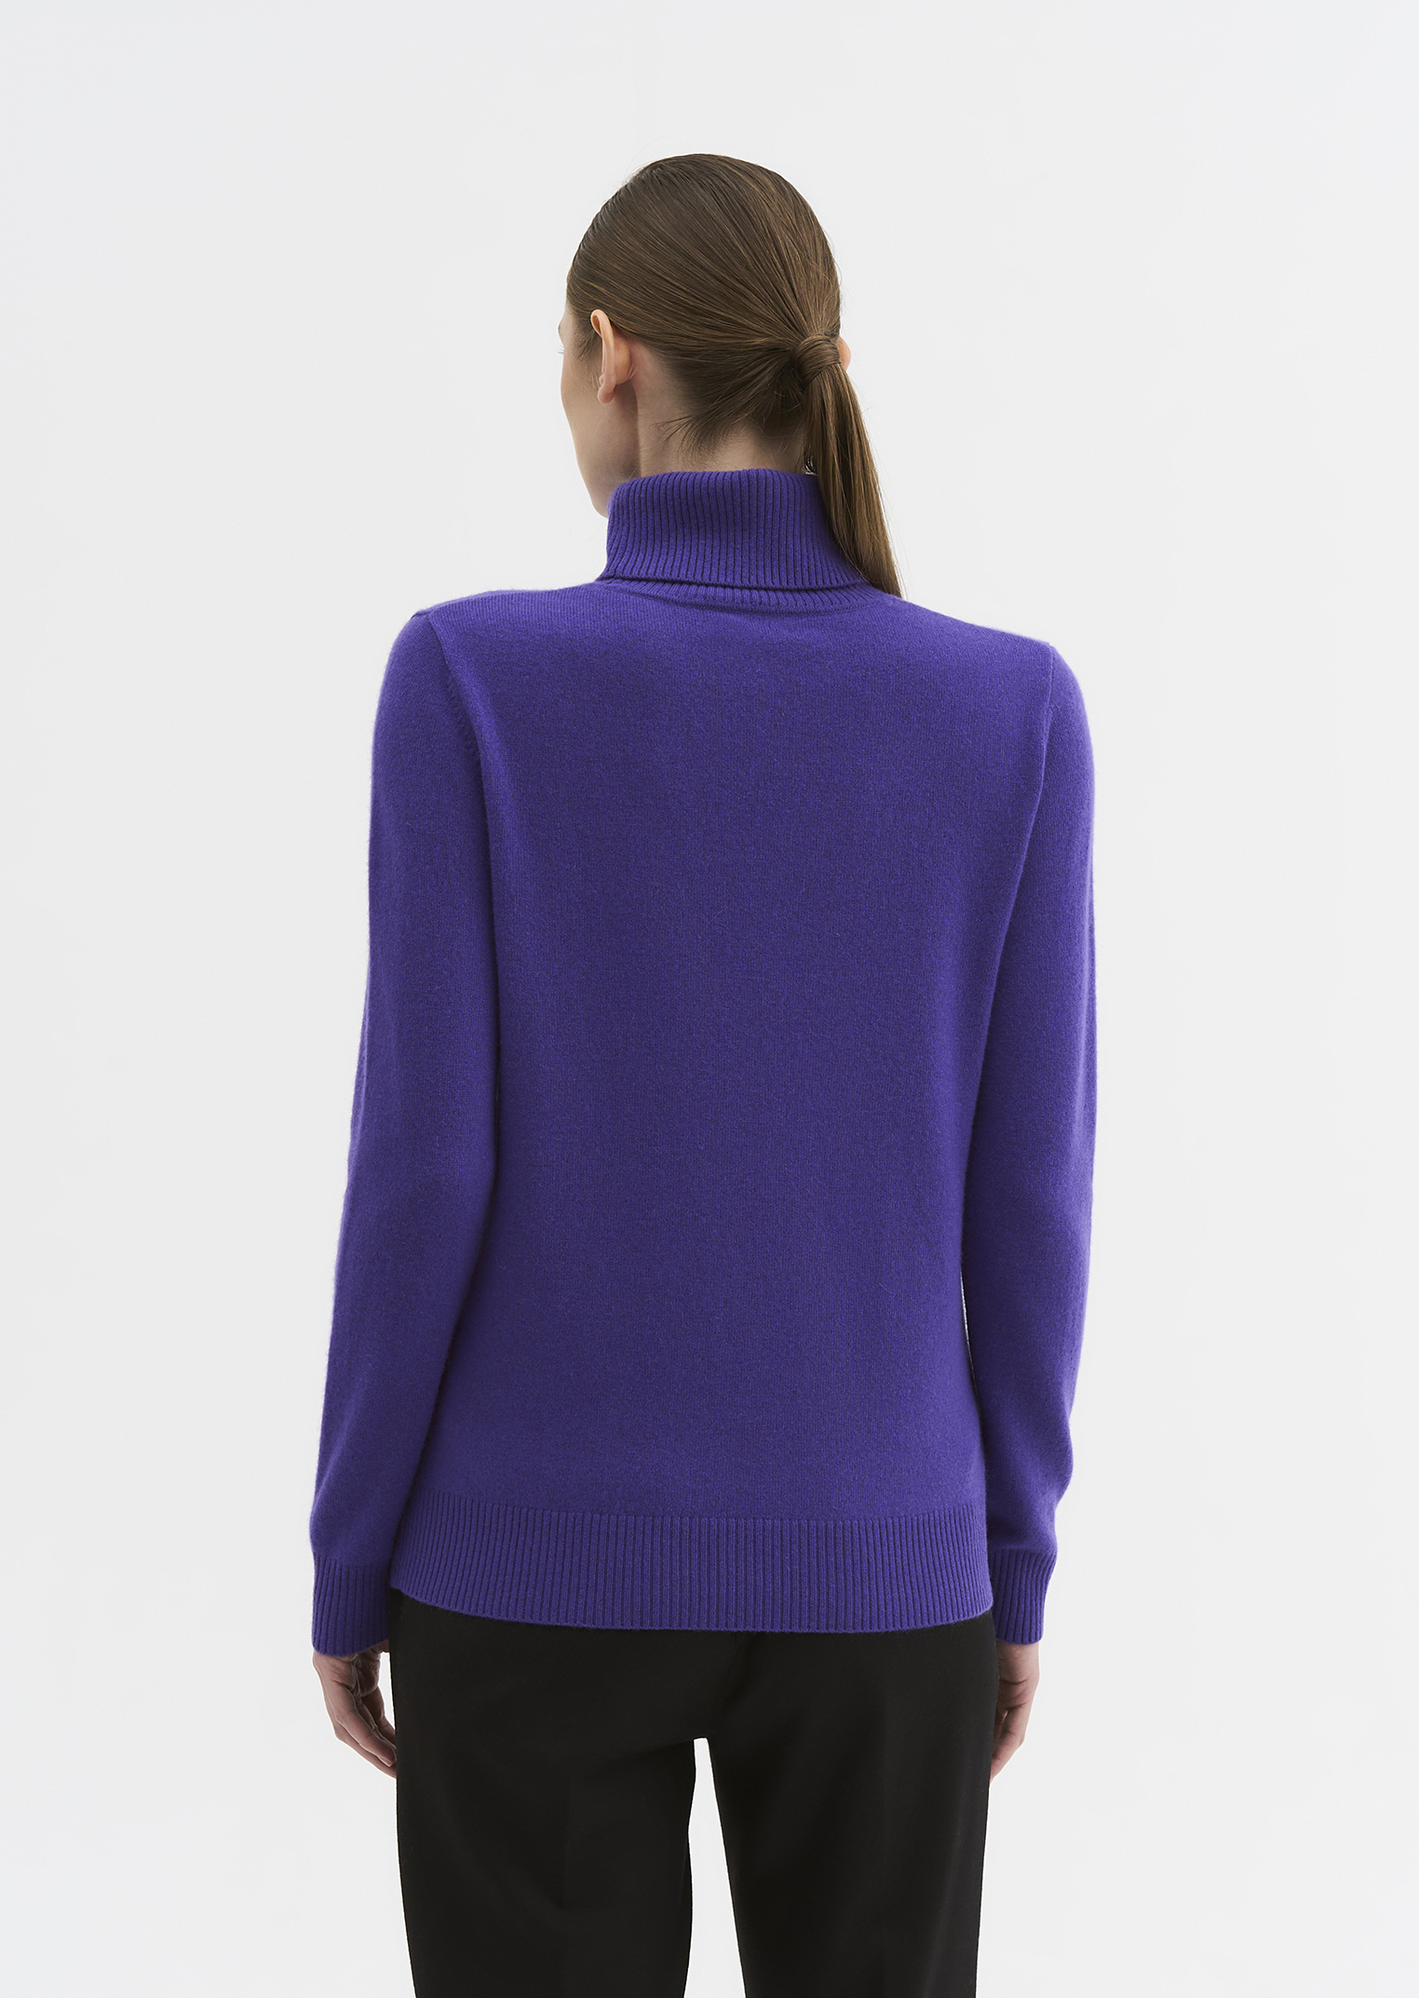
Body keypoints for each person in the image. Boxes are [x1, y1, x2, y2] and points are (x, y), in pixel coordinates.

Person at [309, 153, 1096, 1998]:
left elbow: (423, 1172)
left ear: (613, 355)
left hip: (522, 1574)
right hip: (886, 1574)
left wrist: (351, 1561)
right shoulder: (1012, 711)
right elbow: (1030, 1204)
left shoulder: (469, 681)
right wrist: (1010, 1560)